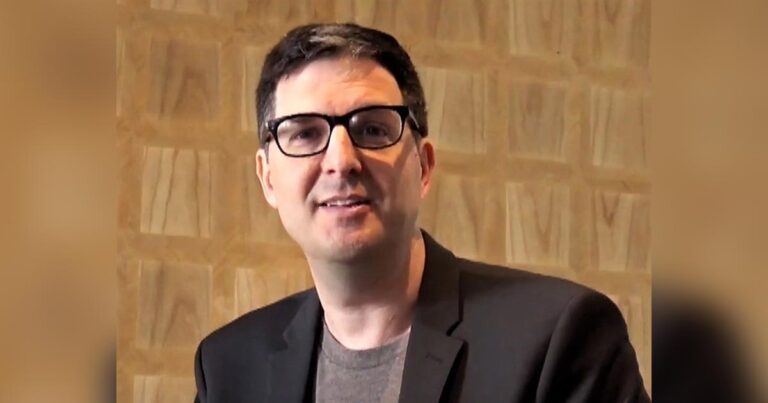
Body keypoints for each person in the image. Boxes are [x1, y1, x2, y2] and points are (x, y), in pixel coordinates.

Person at [193, 23, 650, 403]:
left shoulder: (559, 338)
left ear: (424, 166)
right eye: (305, 133)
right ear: (268, 179)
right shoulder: (227, 368)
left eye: (373, 129)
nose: (341, 160)